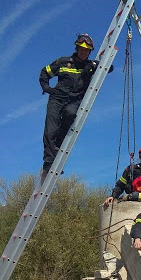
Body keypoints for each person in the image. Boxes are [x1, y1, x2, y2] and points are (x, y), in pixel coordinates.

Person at [39, 33, 112, 177]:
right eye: (81, 49)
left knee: (71, 114)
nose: (83, 52)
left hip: (74, 100)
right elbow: (45, 72)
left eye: (86, 50)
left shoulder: (90, 66)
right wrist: (47, 88)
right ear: (77, 48)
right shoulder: (63, 61)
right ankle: (49, 164)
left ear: (90, 51)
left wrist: (97, 64)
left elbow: (109, 68)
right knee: (50, 131)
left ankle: (57, 146)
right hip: (57, 99)